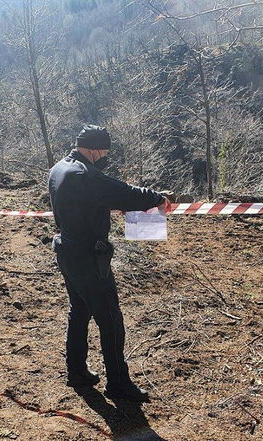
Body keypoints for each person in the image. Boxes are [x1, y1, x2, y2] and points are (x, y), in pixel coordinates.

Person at [48, 124, 170, 402]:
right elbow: (125, 192)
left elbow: (98, 197)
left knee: (79, 311)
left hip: (67, 251)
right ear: (92, 149)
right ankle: (118, 384)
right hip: (89, 257)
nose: (105, 155)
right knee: (111, 320)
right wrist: (157, 198)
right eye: (104, 150)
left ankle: (76, 371)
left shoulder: (59, 168)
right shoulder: (84, 175)